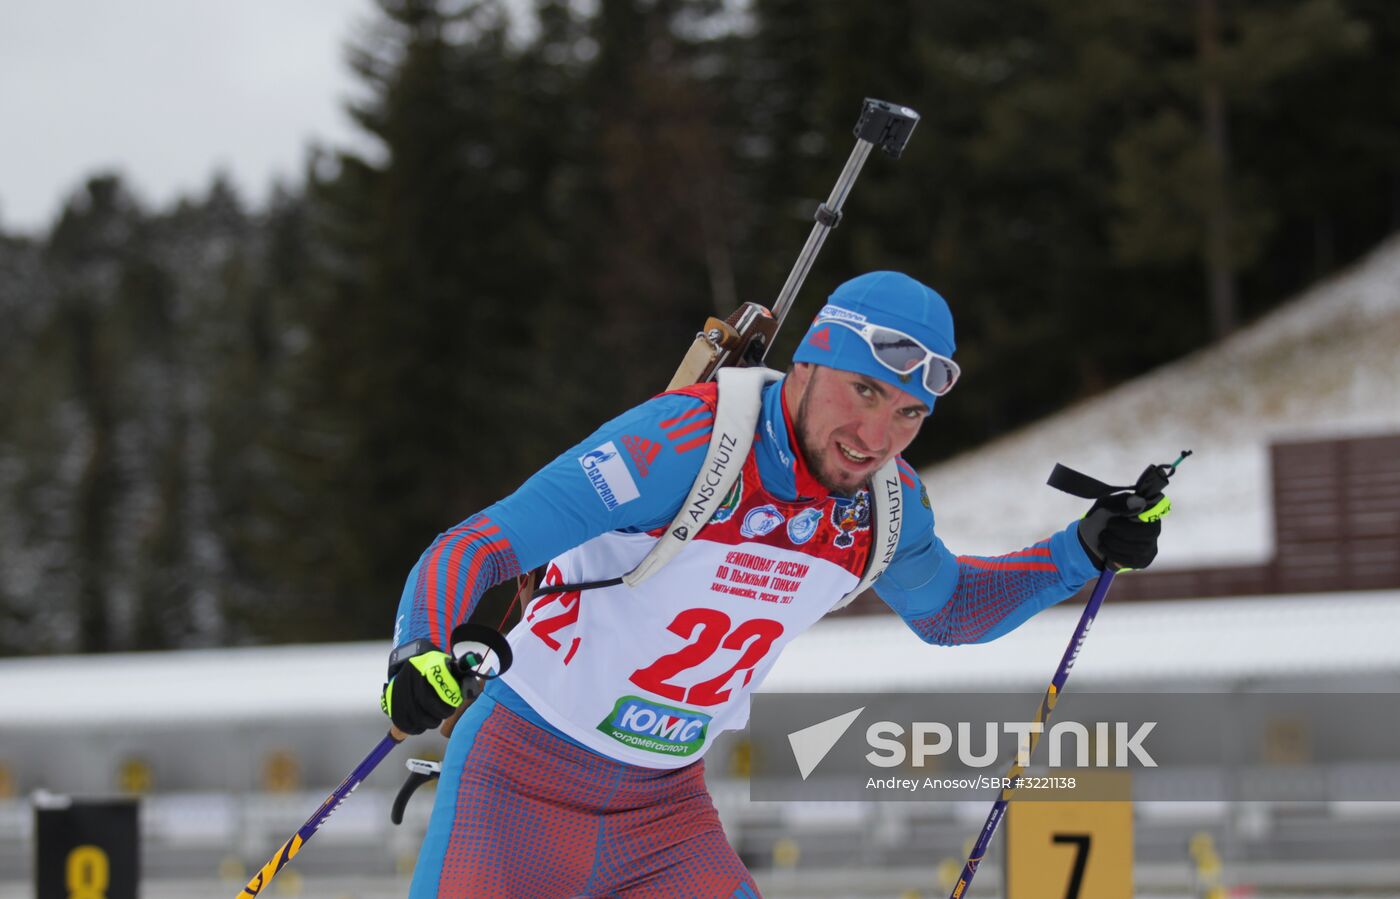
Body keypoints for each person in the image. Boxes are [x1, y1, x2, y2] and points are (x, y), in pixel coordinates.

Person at [380, 271, 1163, 898]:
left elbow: (951, 610)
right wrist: (420, 650)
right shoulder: (685, 444)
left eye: (908, 413)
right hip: (517, 785)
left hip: (662, 815)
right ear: (811, 360)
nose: (874, 437)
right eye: (863, 391)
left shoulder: (884, 508)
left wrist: (1081, 549)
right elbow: (480, 545)